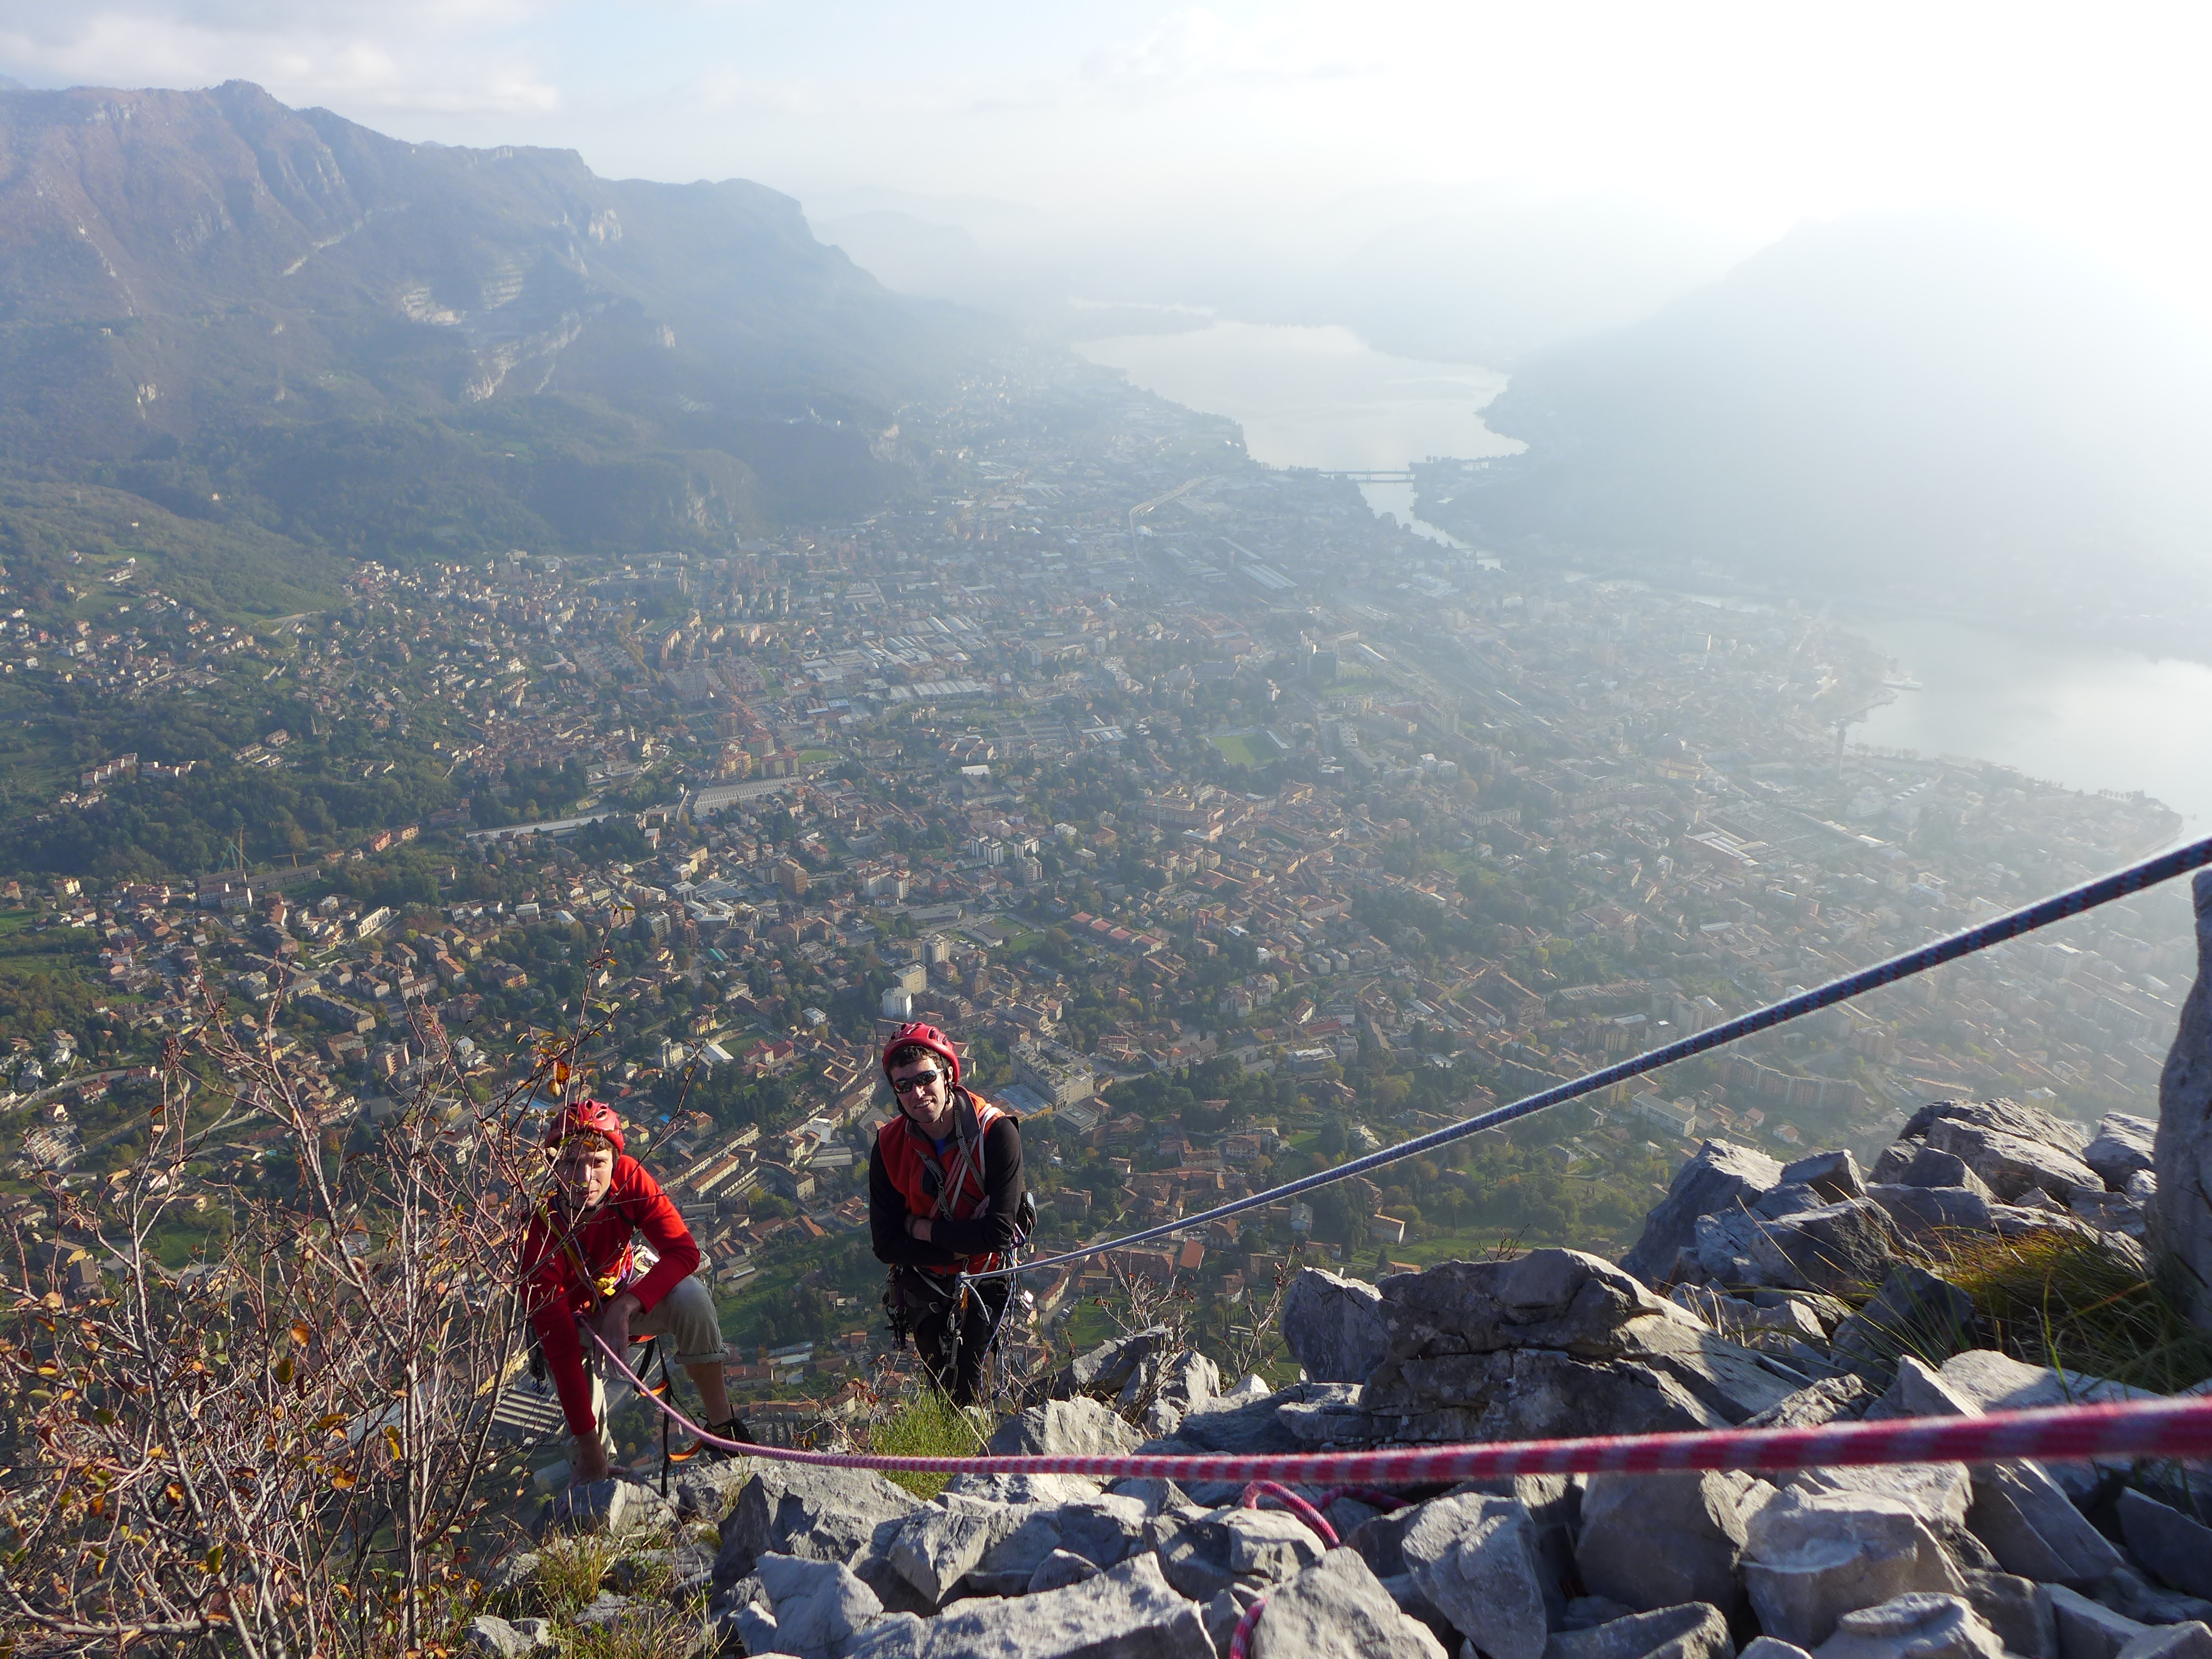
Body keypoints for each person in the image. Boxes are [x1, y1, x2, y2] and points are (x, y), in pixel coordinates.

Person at [518, 1099, 749, 1483]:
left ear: (615, 1163)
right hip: (574, 1325)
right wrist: (590, 1449)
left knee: (692, 1298)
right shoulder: (538, 1238)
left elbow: (685, 1252)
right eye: (572, 1162)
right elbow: (560, 1347)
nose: (584, 1177)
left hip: (623, 1291)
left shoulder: (630, 1181)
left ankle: (722, 1429)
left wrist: (626, 1305)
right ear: (555, 1167)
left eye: (597, 1163)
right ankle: (595, 1471)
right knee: (590, 1454)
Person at [868, 1021, 1026, 1406]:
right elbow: (885, 1244)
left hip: (985, 1279)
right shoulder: (888, 1146)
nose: (917, 1093)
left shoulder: (996, 1134)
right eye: (904, 1086)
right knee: (942, 1391)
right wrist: (963, 1242)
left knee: (971, 1388)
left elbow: (998, 1233)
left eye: (926, 1079)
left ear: (948, 1076)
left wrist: (920, 1230)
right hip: (927, 1284)